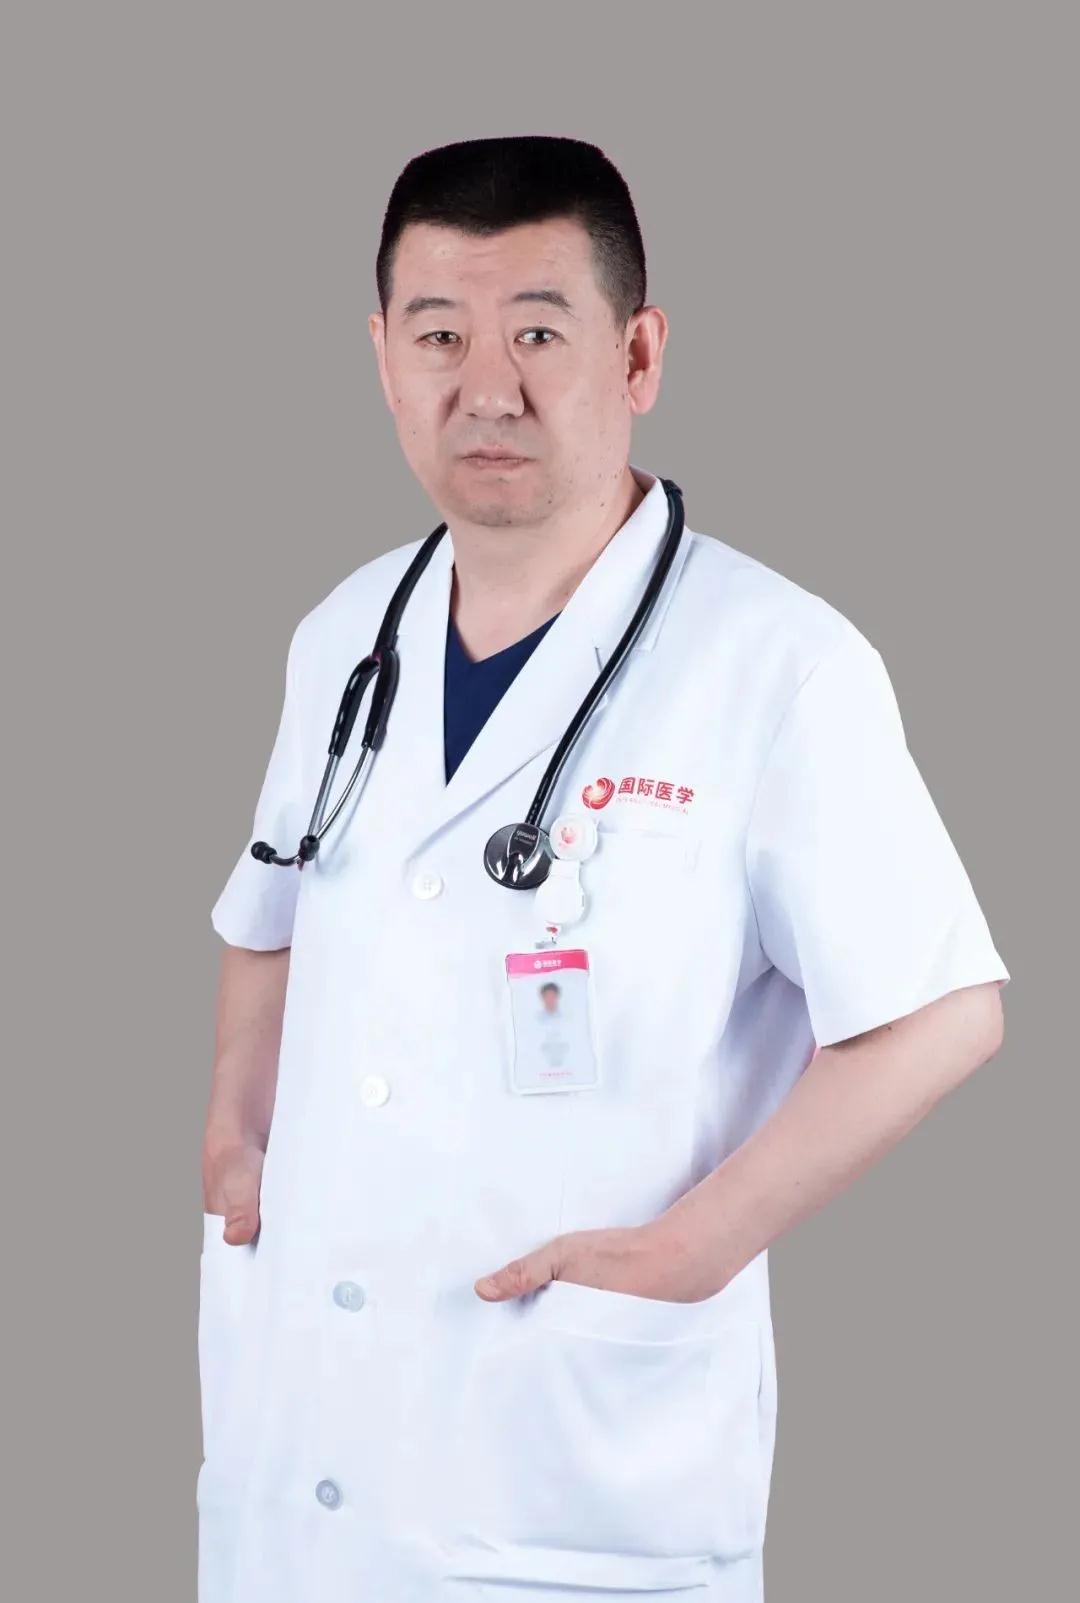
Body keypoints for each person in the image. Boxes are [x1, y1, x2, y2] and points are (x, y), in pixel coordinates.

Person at [198, 134, 1009, 1603]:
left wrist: (696, 1249)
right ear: (383, 360)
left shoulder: (778, 664)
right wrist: (233, 1137)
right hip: (301, 1449)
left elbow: (941, 1013)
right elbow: (267, 913)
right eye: (438, 337)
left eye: (538, 333)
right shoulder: (344, 637)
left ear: (637, 356)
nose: (486, 387)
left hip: (569, 1462)